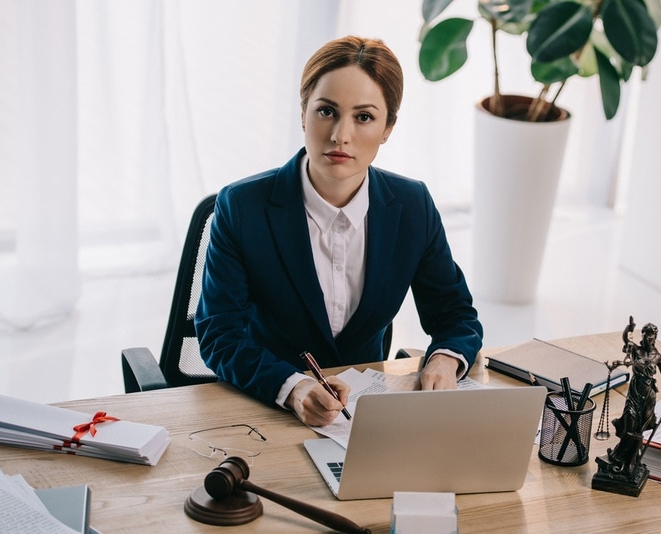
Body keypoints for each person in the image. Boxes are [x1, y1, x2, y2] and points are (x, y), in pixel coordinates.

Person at [195, 36, 483, 427]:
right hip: (264, 411)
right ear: (303, 114)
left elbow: (455, 314)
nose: (340, 135)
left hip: (364, 416)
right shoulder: (242, 207)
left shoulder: (412, 205)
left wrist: (445, 360)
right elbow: (219, 334)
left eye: (364, 117)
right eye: (326, 111)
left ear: (387, 128)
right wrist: (293, 387)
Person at [597, 318, 661, 478]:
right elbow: (626, 338)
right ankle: (619, 458)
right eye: (645, 335)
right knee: (629, 425)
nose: (648, 339)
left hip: (648, 396)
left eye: (651, 336)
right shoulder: (635, 350)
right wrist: (630, 327)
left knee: (639, 431)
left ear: (655, 337)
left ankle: (631, 462)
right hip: (634, 393)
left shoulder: (657, 357)